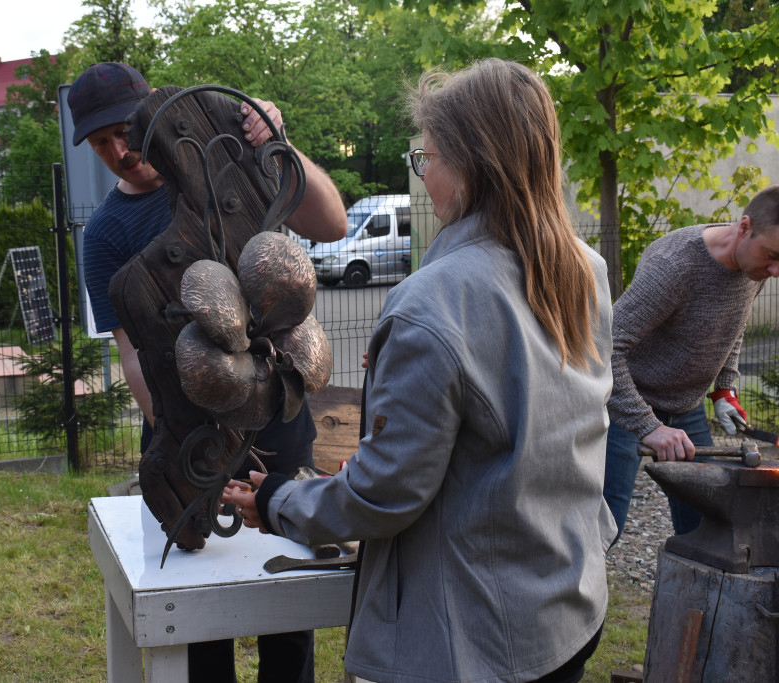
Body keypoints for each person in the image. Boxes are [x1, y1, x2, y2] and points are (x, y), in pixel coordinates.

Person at [224, 58, 615, 683]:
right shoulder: (585, 269)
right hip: (566, 607)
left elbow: (385, 494)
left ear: (467, 167)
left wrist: (278, 500)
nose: (424, 175)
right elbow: (526, 418)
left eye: (425, 159)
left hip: (475, 640)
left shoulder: (434, 302)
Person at [67, 62, 347, 683]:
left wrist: (277, 145)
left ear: (154, 116)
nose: (119, 150)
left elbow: (333, 225)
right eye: (100, 142)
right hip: (187, 433)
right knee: (197, 618)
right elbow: (134, 351)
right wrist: (183, 430)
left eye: (123, 130)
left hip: (277, 409)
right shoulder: (107, 234)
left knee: (287, 607)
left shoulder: (226, 159)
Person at [602, 185, 779, 544]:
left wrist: (724, 388)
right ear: (744, 227)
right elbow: (603, 346)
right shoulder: (676, 266)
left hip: (686, 408)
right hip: (622, 405)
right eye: (773, 255)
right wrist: (647, 425)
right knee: (606, 526)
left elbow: (735, 324)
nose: (777, 271)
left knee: (704, 526)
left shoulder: (754, 268)